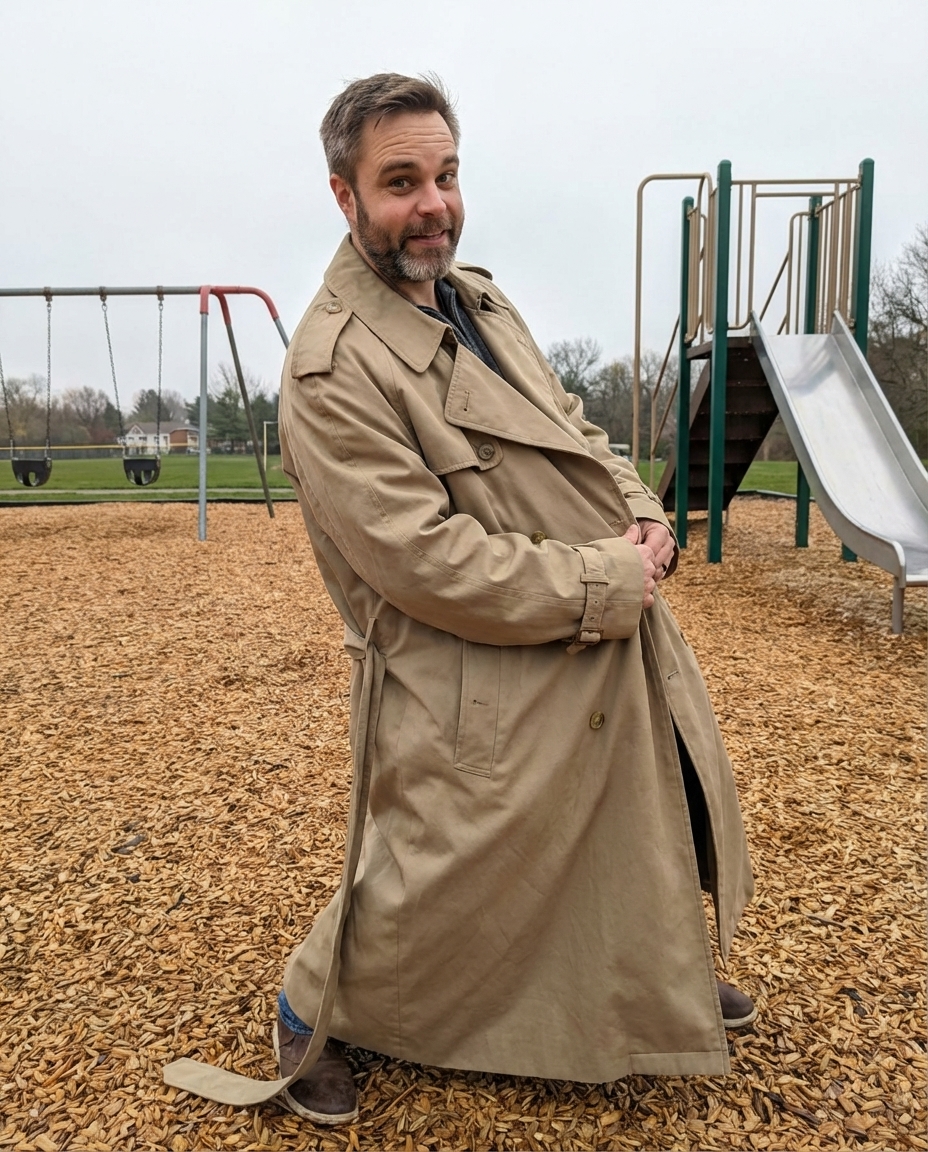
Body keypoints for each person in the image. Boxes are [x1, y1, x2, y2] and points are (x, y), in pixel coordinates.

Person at [164, 72, 755, 1126]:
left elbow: (571, 422)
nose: (433, 204)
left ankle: (650, 980)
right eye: (401, 182)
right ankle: (311, 1003)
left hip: (574, 631)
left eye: (446, 175)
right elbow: (423, 561)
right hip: (464, 663)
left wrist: (640, 510)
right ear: (344, 196)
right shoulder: (332, 370)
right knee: (440, 869)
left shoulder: (477, 297)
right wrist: (605, 580)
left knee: (621, 819)